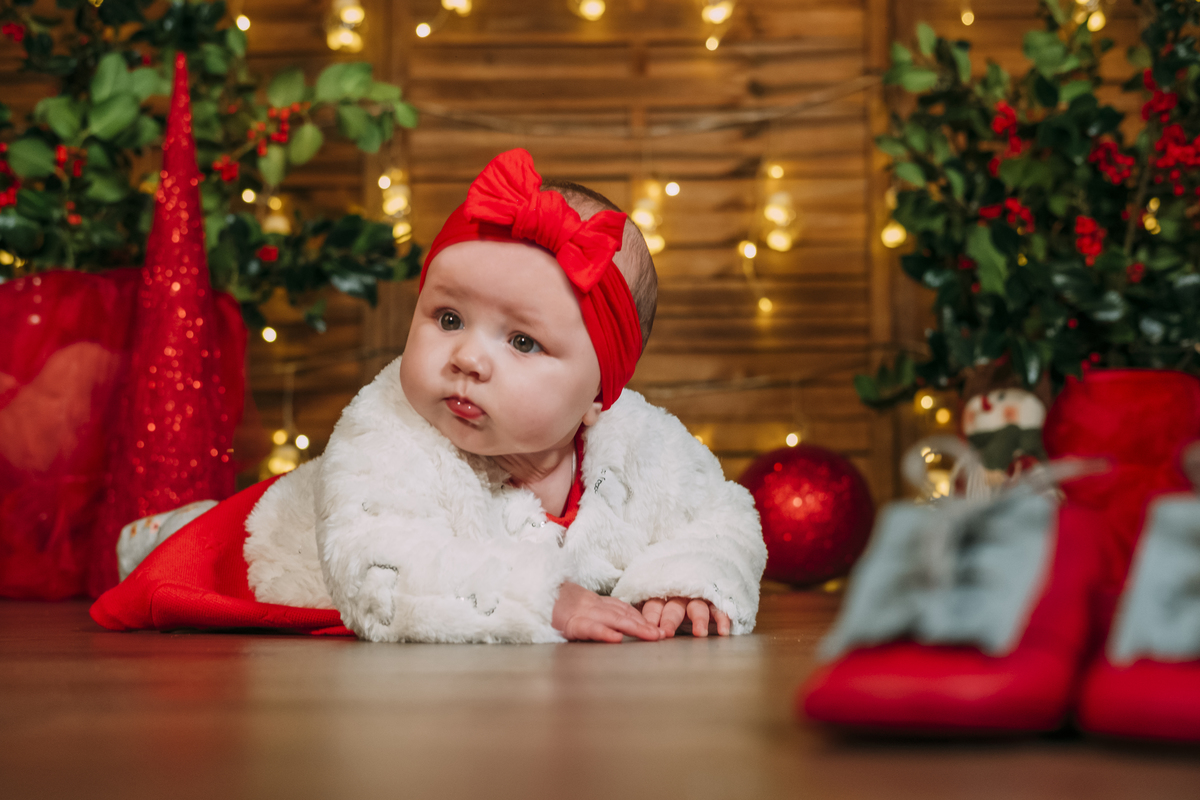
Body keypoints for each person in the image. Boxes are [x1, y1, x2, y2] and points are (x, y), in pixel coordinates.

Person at [99, 149, 766, 644]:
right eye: (448, 319)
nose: (469, 358)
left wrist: (691, 578)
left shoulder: (641, 443)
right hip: (278, 545)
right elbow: (383, 567)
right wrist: (538, 600)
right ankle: (159, 533)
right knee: (186, 553)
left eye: (524, 343)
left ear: (600, 395)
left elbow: (721, 515)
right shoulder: (388, 429)